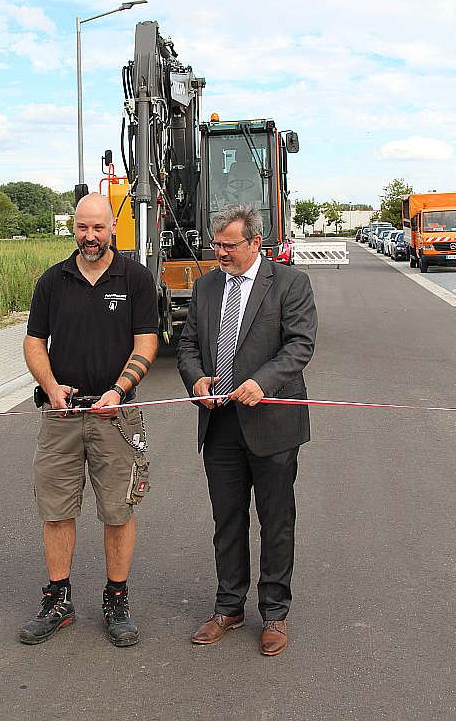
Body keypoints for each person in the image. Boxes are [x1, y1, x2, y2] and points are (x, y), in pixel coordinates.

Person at [19, 193, 158, 648]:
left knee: (118, 510)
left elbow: (146, 343)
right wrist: (52, 386)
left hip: (115, 415)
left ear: (112, 229)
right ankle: (58, 600)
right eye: (82, 228)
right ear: (73, 229)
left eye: (98, 228)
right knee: (56, 510)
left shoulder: (135, 278)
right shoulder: (52, 281)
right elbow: (35, 343)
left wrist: (119, 389)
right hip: (62, 413)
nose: (90, 237)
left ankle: (116, 599)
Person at [177, 204, 317, 655]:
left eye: (229, 245)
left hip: (272, 425)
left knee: (276, 521)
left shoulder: (290, 283)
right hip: (219, 425)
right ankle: (228, 608)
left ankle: (274, 614)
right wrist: (196, 378)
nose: (219, 252)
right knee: (228, 521)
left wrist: (263, 382)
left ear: (255, 243)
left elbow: (300, 345)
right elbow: (187, 346)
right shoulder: (205, 286)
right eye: (215, 244)